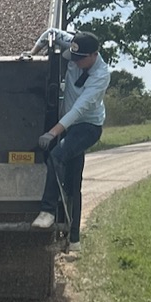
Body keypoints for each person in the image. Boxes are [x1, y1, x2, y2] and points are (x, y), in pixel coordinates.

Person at [31, 31, 110, 248]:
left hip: (86, 127)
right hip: (68, 126)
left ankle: (47, 212)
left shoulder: (100, 76)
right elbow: (50, 33)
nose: (75, 63)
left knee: (57, 156)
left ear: (94, 55)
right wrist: (32, 53)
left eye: (80, 59)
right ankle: (73, 240)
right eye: (73, 58)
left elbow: (78, 110)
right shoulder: (74, 46)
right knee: (73, 182)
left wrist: (52, 133)